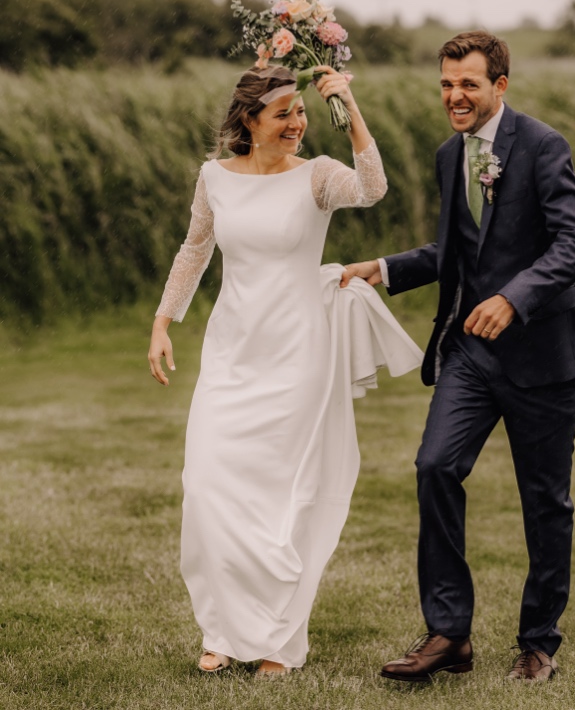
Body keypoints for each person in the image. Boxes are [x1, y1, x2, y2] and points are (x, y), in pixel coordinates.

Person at [341, 30, 575, 685]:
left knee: (545, 503)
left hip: (545, 357)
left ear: (500, 86)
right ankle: (448, 634)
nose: (455, 96)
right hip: (471, 354)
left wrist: (515, 299)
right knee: (434, 466)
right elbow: (458, 250)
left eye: (469, 85)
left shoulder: (543, 147)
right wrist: (384, 267)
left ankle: (538, 644)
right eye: (447, 85)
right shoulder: (446, 155)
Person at [150, 64, 416, 676]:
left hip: (299, 351)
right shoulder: (214, 177)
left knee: (285, 498)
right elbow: (195, 248)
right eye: (284, 114)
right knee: (208, 487)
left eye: (301, 111)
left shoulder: (318, 177)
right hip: (232, 348)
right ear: (250, 121)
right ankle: (221, 629)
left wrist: (345, 105)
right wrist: (164, 322)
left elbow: (372, 187)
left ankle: (277, 640)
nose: (297, 123)